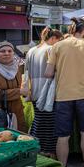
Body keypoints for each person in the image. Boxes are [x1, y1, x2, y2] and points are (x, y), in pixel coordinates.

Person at [44, 17, 84, 167]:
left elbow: (48, 73)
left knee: (63, 136)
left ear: (70, 30)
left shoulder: (57, 46)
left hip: (63, 96)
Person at [23, 27, 63, 158]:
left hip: (34, 89)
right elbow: (55, 71)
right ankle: (48, 150)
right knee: (49, 123)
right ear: (53, 38)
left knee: (39, 119)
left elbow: (26, 71)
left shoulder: (31, 51)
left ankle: (36, 145)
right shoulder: (51, 49)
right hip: (47, 91)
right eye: (59, 40)